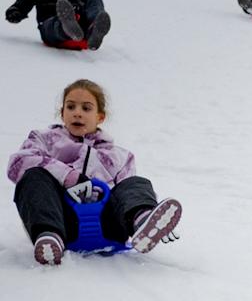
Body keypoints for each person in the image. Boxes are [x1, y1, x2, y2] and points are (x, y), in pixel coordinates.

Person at [7, 79, 183, 266]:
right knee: (33, 176)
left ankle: (142, 220)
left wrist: (140, 204)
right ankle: (49, 236)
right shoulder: (44, 140)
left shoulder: (119, 156)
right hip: (64, 222)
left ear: (100, 117)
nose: (77, 113)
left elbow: (127, 194)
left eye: (86, 108)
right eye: (71, 106)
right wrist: (69, 177)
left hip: (107, 226)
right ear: (62, 113)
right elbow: (18, 163)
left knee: (135, 182)